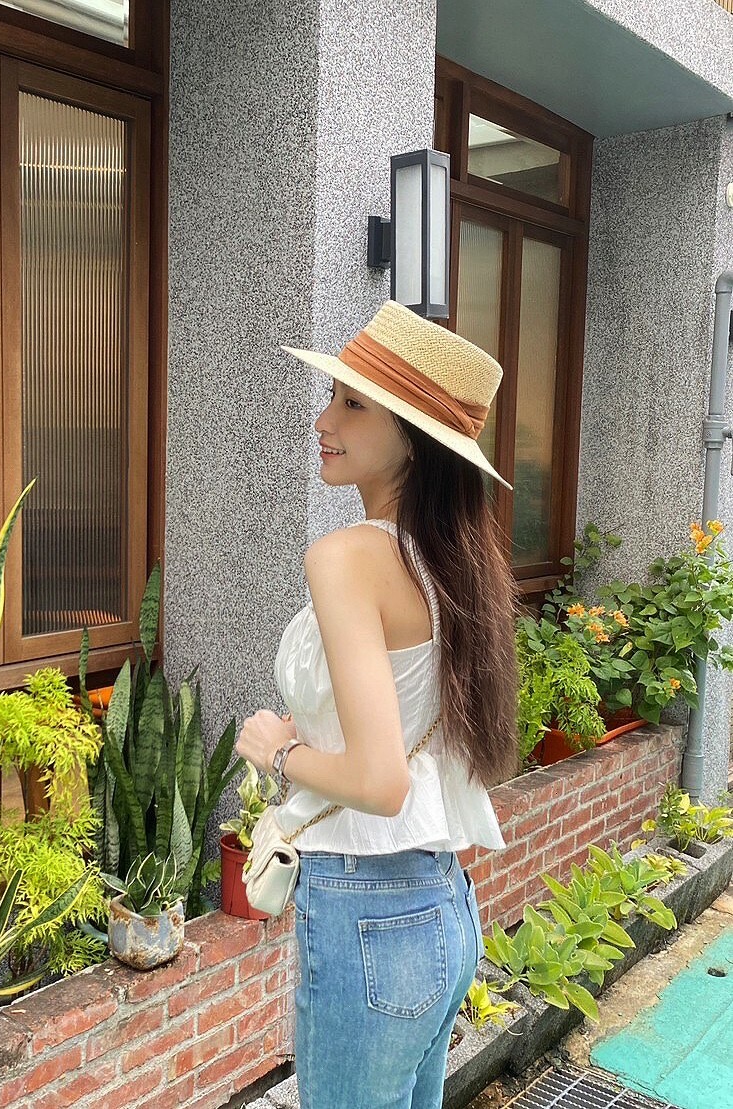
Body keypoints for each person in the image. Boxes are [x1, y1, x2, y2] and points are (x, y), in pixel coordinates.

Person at [236, 300, 519, 1109]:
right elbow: (404, 715)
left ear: (414, 438)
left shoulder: (347, 556)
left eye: (354, 403)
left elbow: (380, 781)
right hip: (439, 902)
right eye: (333, 395)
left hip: (368, 910)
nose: (323, 420)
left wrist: (277, 750)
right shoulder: (451, 559)